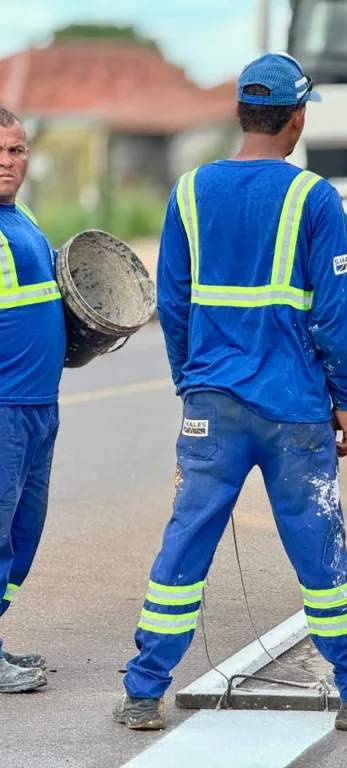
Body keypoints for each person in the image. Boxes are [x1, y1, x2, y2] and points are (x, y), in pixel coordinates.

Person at [114, 53, 347, 732]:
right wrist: (343, 397)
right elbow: (333, 314)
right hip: (295, 411)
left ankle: (143, 691)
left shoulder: (190, 192)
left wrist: (189, 384)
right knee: (320, 552)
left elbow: (171, 302)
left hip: (211, 407)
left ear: (239, 114)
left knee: (184, 545)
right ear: (297, 117)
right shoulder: (315, 197)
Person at [0, 107, 64, 694]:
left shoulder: (25, 221)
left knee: (22, 532)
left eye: (17, 150)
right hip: (3, 407)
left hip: (38, 407)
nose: (7, 161)